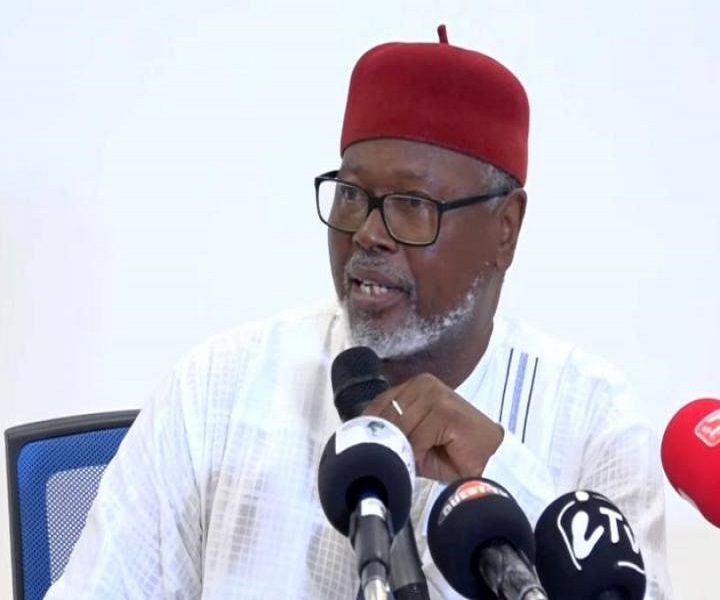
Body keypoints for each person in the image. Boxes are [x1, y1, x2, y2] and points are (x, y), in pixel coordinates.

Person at [44, 25, 672, 599]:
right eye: (351, 195)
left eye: (412, 205)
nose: (368, 233)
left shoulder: (592, 417)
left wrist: (503, 473)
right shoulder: (217, 392)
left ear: (505, 228)